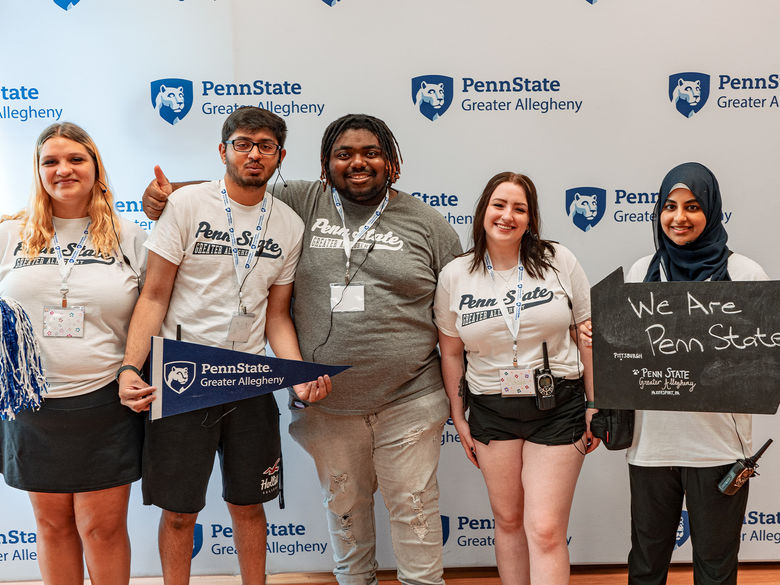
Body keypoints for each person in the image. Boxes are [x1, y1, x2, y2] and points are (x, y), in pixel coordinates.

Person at [142, 113, 463, 585]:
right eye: (344, 154)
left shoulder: (429, 224)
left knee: (414, 512)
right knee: (346, 515)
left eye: (371, 152)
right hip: (327, 404)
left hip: (409, 399)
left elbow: (458, 307)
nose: (358, 162)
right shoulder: (300, 201)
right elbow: (233, 186)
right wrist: (165, 194)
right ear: (324, 163)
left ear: (391, 162)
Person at [118, 107, 331, 585]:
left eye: (265, 146)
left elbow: (277, 315)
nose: (253, 153)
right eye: (242, 143)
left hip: (248, 377)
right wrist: (131, 368)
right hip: (182, 376)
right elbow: (153, 295)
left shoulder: (290, 226)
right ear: (223, 150)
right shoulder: (186, 205)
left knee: (250, 505)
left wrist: (296, 375)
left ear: (278, 157)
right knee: (177, 514)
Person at [581, 162, 768, 585]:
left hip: (719, 450)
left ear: (712, 211)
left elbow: (758, 364)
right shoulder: (640, 271)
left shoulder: (745, 275)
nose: (678, 217)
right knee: (646, 565)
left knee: (715, 567)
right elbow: (626, 355)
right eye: (669, 206)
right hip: (651, 447)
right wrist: (603, 336)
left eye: (692, 206)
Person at [433, 172, 598, 585]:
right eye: (499, 205)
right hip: (491, 407)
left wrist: (596, 405)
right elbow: (451, 352)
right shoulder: (455, 275)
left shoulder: (559, 260)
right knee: (507, 521)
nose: (508, 216)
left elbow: (589, 335)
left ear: (531, 218)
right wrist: (459, 416)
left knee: (544, 528)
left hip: (557, 405)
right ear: (483, 211)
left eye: (519, 208)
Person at [0, 122, 147, 585]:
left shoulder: (129, 237)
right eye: (51, 161)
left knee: (101, 529)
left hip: (105, 401)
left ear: (95, 166)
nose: (63, 169)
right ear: (38, 171)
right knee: (51, 525)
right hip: (30, 406)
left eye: (75, 159)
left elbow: (155, 311)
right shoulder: (10, 234)